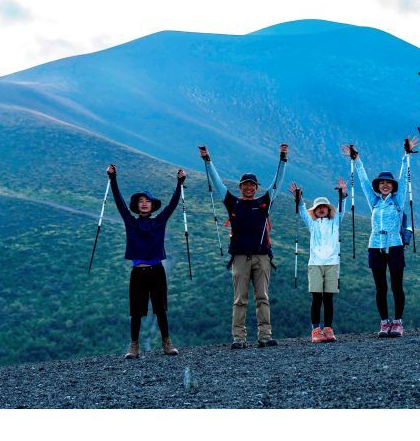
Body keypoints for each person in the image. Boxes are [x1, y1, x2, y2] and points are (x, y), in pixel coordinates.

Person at [198, 144, 288, 349]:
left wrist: (283, 159)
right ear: (240, 186)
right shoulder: (233, 203)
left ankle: (265, 336)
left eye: (252, 185)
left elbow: (277, 183)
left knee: (262, 297)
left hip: (262, 256)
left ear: (256, 187)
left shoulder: (265, 202)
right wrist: (208, 161)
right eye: (245, 184)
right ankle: (239, 338)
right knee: (240, 299)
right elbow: (217, 182)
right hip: (239, 257)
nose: (248, 188)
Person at [341, 137, 419, 338]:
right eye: (382, 183)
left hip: (395, 244)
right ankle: (385, 323)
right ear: (379, 186)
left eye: (388, 183)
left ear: (393, 186)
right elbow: (364, 181)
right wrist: (356, 160)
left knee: (396, 286)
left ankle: (398, 323)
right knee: (381, 287)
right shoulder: (373, 201)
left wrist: (406, 156)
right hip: (375, 245)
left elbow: (404, 179)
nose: (385, 186)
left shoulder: (398, 200)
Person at [106, 164, 185, 359]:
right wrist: (113, 179)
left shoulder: (159, 220)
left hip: (157, 270)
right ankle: (134, 346)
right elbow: (119, 202)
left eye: (147, 201)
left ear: (152, 205)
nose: (143, 203)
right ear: (137, 205)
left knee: (160, 309)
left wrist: (179, 183)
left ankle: (167, 343)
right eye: (141, 201)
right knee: (136, 310)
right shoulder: (130, 221)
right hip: (138, 272)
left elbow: (173, 205)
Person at [288, 179, 347, 343]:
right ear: (314, 211)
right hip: (315, 263)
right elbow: (301, 210)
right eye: (318, 208)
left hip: (332, 263)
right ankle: (316, 330)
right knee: (316, 298)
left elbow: (342, 208)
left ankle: (328, 329)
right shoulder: (312, 223)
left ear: (329, 210)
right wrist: (298, 198)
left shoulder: (335, 222)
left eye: (324, 207)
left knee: (328, 298)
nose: (321, 209)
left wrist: (343, 194)